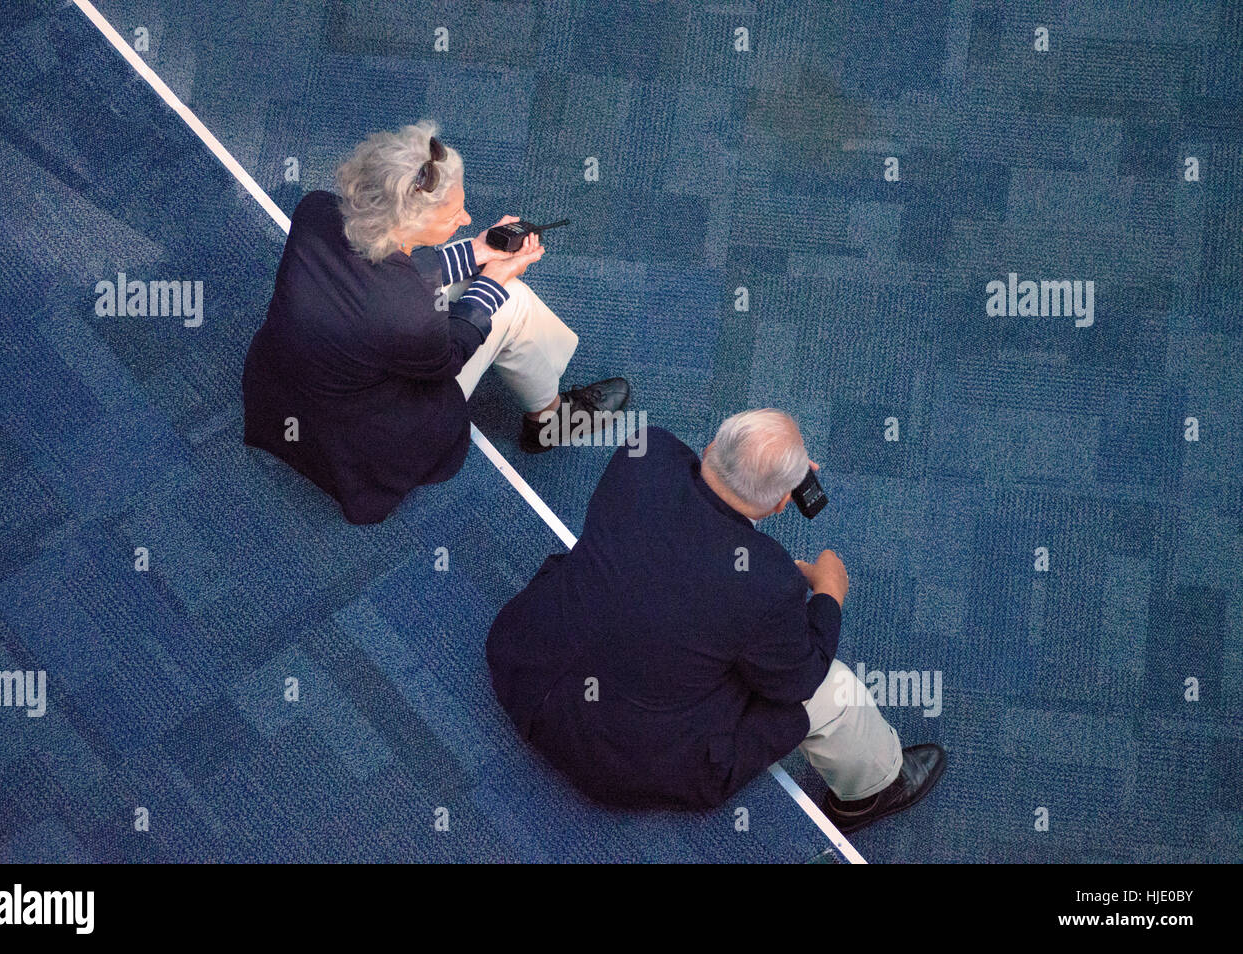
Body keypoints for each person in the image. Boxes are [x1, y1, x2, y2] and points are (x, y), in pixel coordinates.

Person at [486, 410, 946, 832]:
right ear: (783, 504)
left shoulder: (644, 450)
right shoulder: (769, 581)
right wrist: (829, 593)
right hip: (616, 762)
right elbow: (799, 680)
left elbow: (688, 494)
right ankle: (872, 790)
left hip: (521, 664)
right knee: (834, 690)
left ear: (710, 447)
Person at [242, 119, 629, 524]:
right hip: (364, 440)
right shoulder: (409, 313)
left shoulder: (316, 209)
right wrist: (493, 282)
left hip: (283, 394)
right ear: (408, 224)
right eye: (453, 214)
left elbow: (389, 266)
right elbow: (449, 356)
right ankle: (549, 420)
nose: (464, 220)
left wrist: (476, 252)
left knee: (480, 278)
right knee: (514, 302)